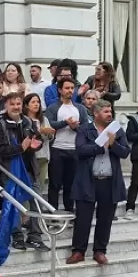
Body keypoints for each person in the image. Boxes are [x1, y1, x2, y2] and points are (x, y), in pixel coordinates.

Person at [67, 100, 129, 266]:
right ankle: (78, 251)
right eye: (106, 111)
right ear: (96, 113)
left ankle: (100, 251)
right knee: (83, 218)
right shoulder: (84, 129)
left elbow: (125, 152)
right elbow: (80, 150)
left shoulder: (116, 130)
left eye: (110, 111)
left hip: (109, 181)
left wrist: (113, 144)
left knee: (106, 218)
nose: (110, 114)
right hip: (88, 180)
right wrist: (101, 145)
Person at [0, 92, 49, 251]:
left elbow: (37, 141)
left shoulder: (28, 122)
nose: (16, 107)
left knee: (36, 202)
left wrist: (36, 144)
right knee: (14, 204)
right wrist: (20, 148)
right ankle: (17, 237)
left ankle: (35, 236)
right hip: (10, 171)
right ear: (6, 106)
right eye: (12, 104)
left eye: (18, 104)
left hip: (30, 169)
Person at [45, 76, 89, 212]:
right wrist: (66, 122)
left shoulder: (80, 108)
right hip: (57, 149)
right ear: (60, 90)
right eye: (67, 88)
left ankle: (69, 210)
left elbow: (86, 127)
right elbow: (49, 124)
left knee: (70, 184)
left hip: (74, 149)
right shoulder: (53, 107)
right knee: (55, 183)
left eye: (72, 88)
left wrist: (76, 127)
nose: (70, 90)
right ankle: (53, 211)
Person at [24, 93, 53, 193]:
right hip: (30, 158)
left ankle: (38, 208)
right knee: (29, 187)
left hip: (43, 156)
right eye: (33, 102)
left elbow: (50, 138)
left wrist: (50, 133)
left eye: (38, 102)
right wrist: (38, 132)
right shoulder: (24, 120)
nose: (36, 104)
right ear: (26, 105)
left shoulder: (44, 119)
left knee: (40, 186)